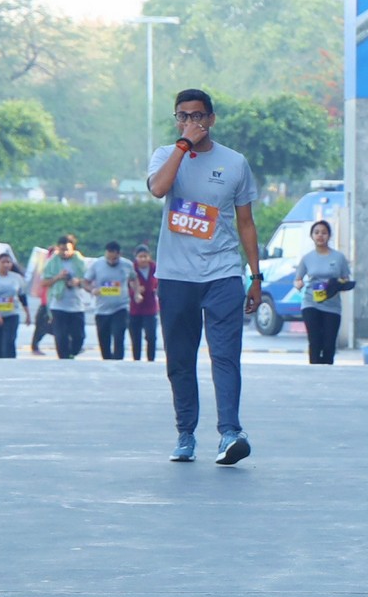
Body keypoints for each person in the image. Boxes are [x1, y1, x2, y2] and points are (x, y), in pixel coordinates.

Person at [146, 89, 264, 463]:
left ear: (211, 119)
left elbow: (246, 223)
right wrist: (183, 146)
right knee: (180, 359)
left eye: (197, 116)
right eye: (182, 116)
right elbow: (158, 189)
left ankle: (230, 432)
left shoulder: (235, 163)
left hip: (223, 273)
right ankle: (185, 434)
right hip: (176, 276)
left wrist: (255, 276)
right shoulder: (166, 155)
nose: (190, 122)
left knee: (225, 355)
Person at [292, 219, 352, 364]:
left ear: (329, 236)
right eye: (317, 232)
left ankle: (327, 372)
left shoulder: (338, 257)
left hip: (332, 305)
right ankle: (314, 372)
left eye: (324, 233)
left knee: (329, 345)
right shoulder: (307, 258)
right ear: (312, 236)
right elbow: (298, 279)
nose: (320, 235)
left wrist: (337, 284)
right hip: (311, 303)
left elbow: (346, 278)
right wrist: (299, 284)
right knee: (315, 342)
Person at [41, 234, 90, 360]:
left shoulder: (80, 262)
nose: (65, 252)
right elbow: (44, 282)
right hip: (58, 305)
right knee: (61, 336)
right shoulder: (52, 262)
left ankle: (73, 352)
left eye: (67, 249)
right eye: (62, 249)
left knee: (79, 336)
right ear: (58, 248)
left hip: (76, 305)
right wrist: (58, 277)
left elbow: (88, 281)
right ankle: (64, 359)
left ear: (73, 248)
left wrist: (77, 282)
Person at [87, 241, 136, 360]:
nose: (111, 261)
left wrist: (137, 293)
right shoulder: (97, 264)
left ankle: (118, 360)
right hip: (102, 309)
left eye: (114, 259)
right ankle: (107, 360)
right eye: (108, 258)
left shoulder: (127, 265)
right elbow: (85, 282)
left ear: (119, 254)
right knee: (104, 339)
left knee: (119, 335)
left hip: (121, 307)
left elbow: (134, 279)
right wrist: (92, 289)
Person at [0, 251, 28, 358]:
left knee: (9, 342)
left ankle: (9, 363)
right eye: (3, 262)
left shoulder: (17, 278)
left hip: (12, 314)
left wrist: (28, 314)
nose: (6, 265)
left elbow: (22, 297)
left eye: (8, 262)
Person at [128, 248, 161, 362]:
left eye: (145, 256)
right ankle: (136, 359)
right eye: (140, 256)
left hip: (150, 307)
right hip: (134, 308)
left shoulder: (155, 268)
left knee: (151, 335)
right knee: (135, 336)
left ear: (149, 257)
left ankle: (151, 359)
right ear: (136, 257)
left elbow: (159, 284)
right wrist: (134, 291)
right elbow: (125, 286)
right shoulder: (131, 269)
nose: (143, 259)